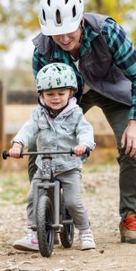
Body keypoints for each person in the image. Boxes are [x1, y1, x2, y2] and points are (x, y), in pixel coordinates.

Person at [30, 0, 136, 244]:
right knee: (37, 146)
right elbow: (44, 99)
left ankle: (130, 217)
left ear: (81, 19)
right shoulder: (42, 50)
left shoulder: (108, 32)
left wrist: (135, 123)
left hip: (114, 91)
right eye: (56, 33)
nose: (63, 39)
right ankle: (47, 212)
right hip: (69, 100)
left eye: (68, 31)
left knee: (131, 146)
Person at [9, 62, 96, 251]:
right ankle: (32, 234)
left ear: (71, 93)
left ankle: (85, 231)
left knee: (73, 201)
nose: (55, 98)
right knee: (33, 196)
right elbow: (28, 129)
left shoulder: (76, 114)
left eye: (61, 93)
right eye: (49, 94)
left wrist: (84, 145)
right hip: (45, 165)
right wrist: (18, 143)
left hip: (68, 165)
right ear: (41, 95)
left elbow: (85, 131)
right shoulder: (38, 114)